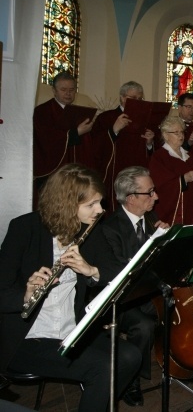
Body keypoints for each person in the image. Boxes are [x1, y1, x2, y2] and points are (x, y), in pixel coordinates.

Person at [0, 164, 141, 411]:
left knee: (130, 356)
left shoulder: (90, 230)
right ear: (66, 204)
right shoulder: (24, 229)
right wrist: (25, 293)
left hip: (70, 330)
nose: (100, 211)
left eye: (100, 202)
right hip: (29, 337)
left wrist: (91, 271)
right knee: (102, 367)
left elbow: (118, 271)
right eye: (91, 205)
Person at [102, 166, 168, 406]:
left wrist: (165, 242)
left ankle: (184, 365)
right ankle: (130, 381)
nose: (156, 197)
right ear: (130, 198)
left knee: (175, 306)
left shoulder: (149, 219)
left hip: (147, 292)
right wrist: (153, 243)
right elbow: (122, 273)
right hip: (123, 297)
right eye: (149, 192)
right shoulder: (110, 228)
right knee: (144, 325)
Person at [93, 81, 155, 212]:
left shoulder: (146, 119)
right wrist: (113, 130)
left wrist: (150, 143)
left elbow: (153, 151)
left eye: (140, 99)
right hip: (116, 172)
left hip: (138, 171)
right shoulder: (106, 117)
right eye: (133, 98)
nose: (137, 102)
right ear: (122, 97)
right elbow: (95, 146)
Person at [33, 71, 95, 201]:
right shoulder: (42, 111)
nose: (68, 93)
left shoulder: (79, 112)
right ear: (54, 90)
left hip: (75, 172)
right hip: (52, 173)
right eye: (63, 89)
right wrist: (76, 133)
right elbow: (45, 139)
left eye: (72, 90)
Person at [149, 116, 193, 225]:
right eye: (176, 133)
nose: (181, 136)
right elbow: (161, 184)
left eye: (182, 132)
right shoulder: (159, 157)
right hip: (171, 210)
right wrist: (184, 179)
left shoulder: (189, 156)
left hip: (190, 205)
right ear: (165, 135)